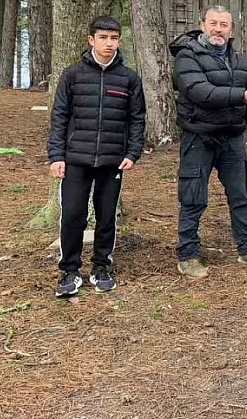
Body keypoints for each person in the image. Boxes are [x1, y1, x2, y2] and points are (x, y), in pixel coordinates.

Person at [170, 6, 247, 279]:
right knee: (193, 197)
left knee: (241, 195)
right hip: (199, 137)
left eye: (224, 24)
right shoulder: (187, 56)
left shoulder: (238, 59)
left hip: (232, 138)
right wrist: (241, 96)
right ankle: (188, 255)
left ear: (231, 29)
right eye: (213, 23)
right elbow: (199, 92)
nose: (218, 29)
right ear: (202, 24)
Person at [47, 16, 146, 297]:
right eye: (103, 38)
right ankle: (69, 271)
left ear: (119, 41)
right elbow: (59, 118)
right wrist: (56, 156)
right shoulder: (72, 75)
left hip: (112, 161)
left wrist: (133, 152)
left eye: (114, 38)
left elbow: (136, 119)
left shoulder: (129, 79)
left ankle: (101, 267)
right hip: (76, 159)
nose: (109, 43)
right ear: (91, 40)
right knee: (73, 216)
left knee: (106, 217)